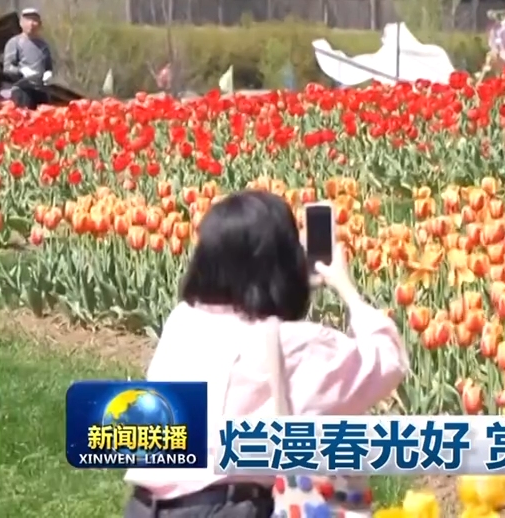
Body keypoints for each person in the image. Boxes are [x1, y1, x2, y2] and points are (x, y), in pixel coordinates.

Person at [124, 190, 409, 517]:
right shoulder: (290, 345)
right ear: (283, 263)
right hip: (224, 509)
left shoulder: (183, 321)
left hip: (145, 507)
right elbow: (386, 361)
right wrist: (346, 289)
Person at [2, 7, 54, 109]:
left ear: (39, 24)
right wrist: (21, 71)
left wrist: (49, 74)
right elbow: (7, 67)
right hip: (22, 90)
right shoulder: (15, 42)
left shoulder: (43, 45)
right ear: (21, 23)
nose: (31, 24)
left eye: (34, 20)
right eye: (28, 20)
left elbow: (48, 67)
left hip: (41, 91)